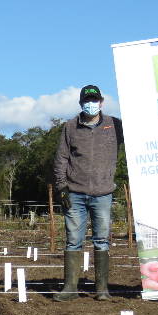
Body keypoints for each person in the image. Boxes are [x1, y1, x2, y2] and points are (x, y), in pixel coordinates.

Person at [52, 85, 124, 301]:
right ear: (81, 103)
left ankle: (101, 289)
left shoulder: (115, 125)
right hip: (75, 192)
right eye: (87, 100)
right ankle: (70, 288)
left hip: (103, 193)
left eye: (94, 100)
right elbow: (61, 158)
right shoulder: (70, 126)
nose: (91, 104)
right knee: (73, 240)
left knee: (102, 239)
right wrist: (62, 186)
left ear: (101, 102)